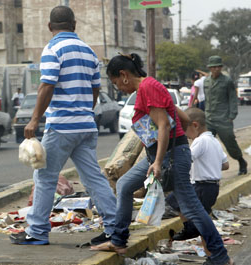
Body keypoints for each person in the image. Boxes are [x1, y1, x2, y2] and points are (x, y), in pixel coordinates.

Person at [91, 53, 233, 265]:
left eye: (116, 82)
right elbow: (183, 119)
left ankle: (220, 256)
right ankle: (118, 240)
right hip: (163, 154)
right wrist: (166, 152)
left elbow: (164, 125)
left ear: (124, 75)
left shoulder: (148, 87)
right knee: (125, 185)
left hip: (168, 156)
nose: (118, 88)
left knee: (191, 207)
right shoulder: (150, 88)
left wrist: (161, 160)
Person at [9, 5, 117, 246]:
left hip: (61, 127)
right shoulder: (89, 52)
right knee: (93, 179)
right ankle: (114, 227)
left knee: (44, 178)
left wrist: (35, 119)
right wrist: (85, 111)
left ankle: (36, 231)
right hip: (86, 126)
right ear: (74, 25)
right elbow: (96, 89)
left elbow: (46, 85)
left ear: (50, 27)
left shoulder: (52, 49)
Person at [166, 107, 229, 245]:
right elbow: (226, 165)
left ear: (195, 125)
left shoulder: (200, 141)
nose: (184, 134)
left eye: (184, 129)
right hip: (212, 187)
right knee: (203, 223)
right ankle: (211, 252)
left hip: (201, 186)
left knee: (174, 199)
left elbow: (186, 158)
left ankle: (189, 228)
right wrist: (210, 164)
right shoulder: (214, 141)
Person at [204, 55, 248, 175]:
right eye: (213, 67)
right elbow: (206, 99)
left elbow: (232, 99)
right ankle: (210, 170)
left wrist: (231, 116)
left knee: (230, 142)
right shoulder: (206, 81)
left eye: (218, 67)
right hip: (209, 118)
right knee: (207, 145)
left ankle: (241, 161)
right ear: (210, 68)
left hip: (223, 118)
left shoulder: (227, 81)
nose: (216, 69)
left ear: (221, 67)